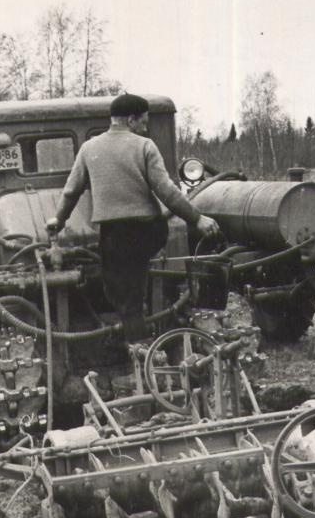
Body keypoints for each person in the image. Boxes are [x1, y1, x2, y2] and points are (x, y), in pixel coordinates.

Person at [45, 93, 220, 340]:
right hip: (148, 231)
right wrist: (197, 219)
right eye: (144, 122)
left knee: (126, 296)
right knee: (124, 291)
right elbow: (167, 191)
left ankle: (139, 350)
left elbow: (72, 190)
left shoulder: (89, 148)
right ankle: (139, 338)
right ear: (130, 120)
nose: (145, 127)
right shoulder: (144, 146)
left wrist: (58, 220)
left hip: (114, 235)